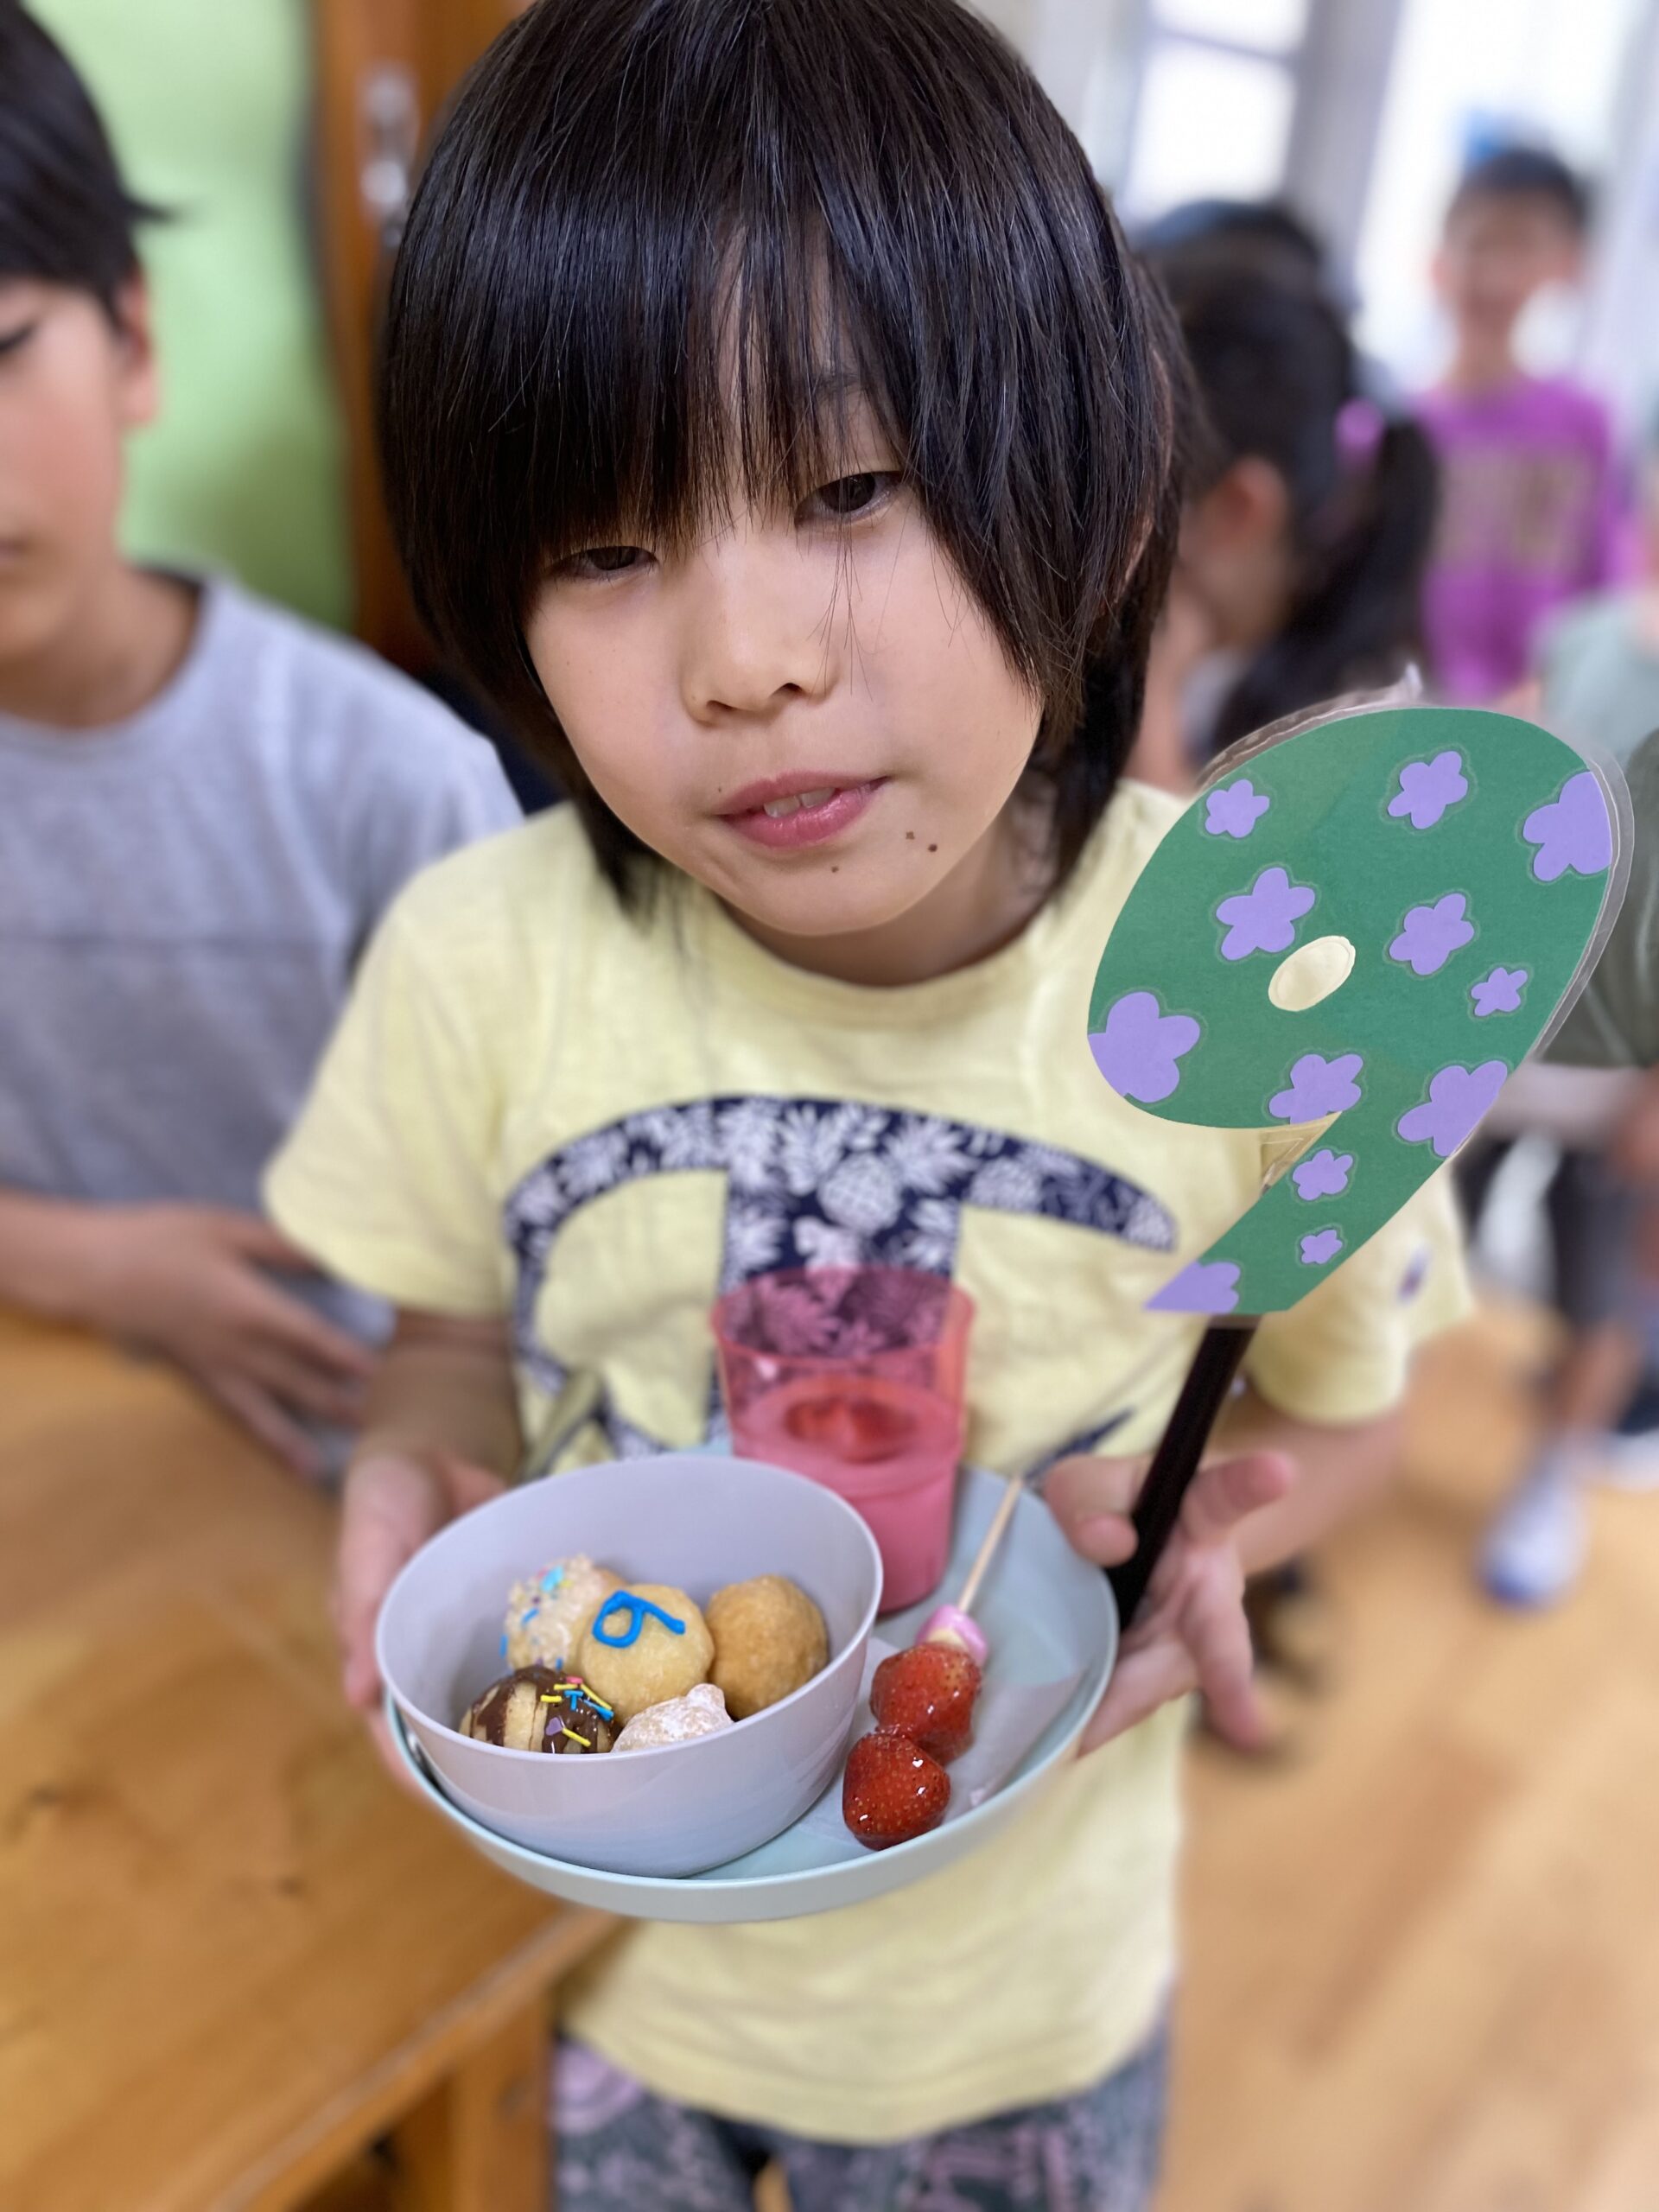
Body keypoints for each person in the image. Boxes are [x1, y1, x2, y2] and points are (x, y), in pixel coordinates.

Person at [266, 3, 1469, 2202]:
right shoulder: (477, 955)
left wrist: (1215, 1529)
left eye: (847, 487)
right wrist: (414, 1455)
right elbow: (448, 1327)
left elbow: (1352, 1411)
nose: (744, 657)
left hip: (1017, 2014)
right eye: (604, 546)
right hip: (591, 1966)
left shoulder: (1281, 975)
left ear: (1096, 483)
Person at [0, 2, 519, 1478]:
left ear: (133, 339)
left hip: (366, 1496)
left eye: (3, 352)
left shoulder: (386, 783)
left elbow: (554, 1228)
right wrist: (88, 1264)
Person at [1130, 228, 1439, 791]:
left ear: (1236, 511)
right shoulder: (1224, 663)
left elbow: (1199, 853)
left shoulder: (1360, 740)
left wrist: (1149, 702)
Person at [1419, 145, 1624, 705]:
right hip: (1418, 721)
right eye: (1480, 242)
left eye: (1522, 246)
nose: (1495, 274)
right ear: (1439, 260)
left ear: (1566, 263)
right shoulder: (1393, 432)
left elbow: (1606, 590)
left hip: (1548, 720)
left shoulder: (1584, 423)